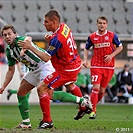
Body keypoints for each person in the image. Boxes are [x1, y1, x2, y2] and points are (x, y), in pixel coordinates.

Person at [0, 24, 91, 129]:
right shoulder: (9, 51)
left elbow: (28, 38)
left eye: (9, 34)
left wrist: (25, 47)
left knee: (50, 95)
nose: (7, 37)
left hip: (44, 66)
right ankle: (26, 123)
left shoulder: (21, 41)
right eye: (5, 35)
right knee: (21, 93)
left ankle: (82, 101)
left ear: (15, 34)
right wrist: (3, 86)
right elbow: (11, 70)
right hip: (34, 70)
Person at [74, 16, 123, 120]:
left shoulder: (112, 35)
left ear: (107, 24)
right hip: (96, 65)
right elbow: (86, 48)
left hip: (109, 67)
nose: (102, 25)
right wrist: (85, 59)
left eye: (104, 23)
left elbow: (120, 47)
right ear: (97, 24)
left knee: (101, 91)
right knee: (95, 88)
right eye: (100, 23)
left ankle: (89, 106)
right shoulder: (92, 37)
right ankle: (93, 110)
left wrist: (111, 56)